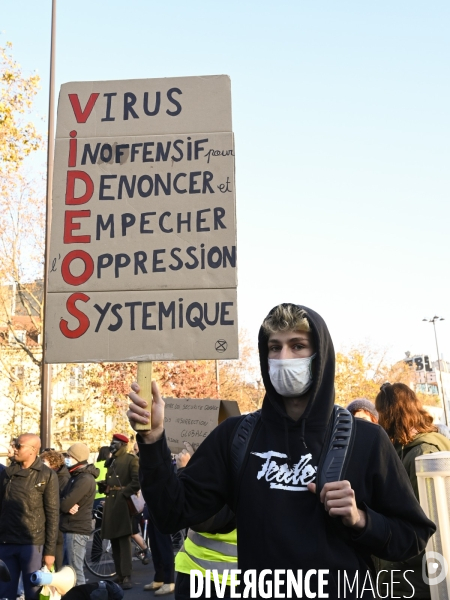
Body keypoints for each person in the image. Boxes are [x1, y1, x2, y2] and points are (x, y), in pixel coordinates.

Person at [128, 303, 436, 599]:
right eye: (275, 347)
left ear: (321, 354)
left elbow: (413, 536)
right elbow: (171, 513)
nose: (284, 357)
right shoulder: (236, 437)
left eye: (298, 346)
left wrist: (361, 519)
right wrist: (153, 440)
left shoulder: (367, 440)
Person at [375, 382, 450, 599]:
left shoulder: (422, 452)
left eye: (381, 413)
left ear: (390, 413)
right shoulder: (409, 447)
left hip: (424, 574)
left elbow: (424, 525)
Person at [173, 443, 237, 600]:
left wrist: (188, 471)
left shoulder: (238, 475)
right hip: (197, 574)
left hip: (217, 581)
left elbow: (201, 519)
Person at [0, 433, 59, 600]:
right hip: (6, 543)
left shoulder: (47, 475)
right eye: (14, 445)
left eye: (19, 446)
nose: (14, 449)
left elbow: (53, 514)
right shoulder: (6, 474)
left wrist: (49, 552)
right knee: (4, 593)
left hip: (33, 545)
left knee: (34, 593)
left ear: (33, 450)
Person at [101, 433, 140, 590]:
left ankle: (126, 575)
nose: (112, 445)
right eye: (111, 442)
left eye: (115, 443)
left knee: (123, 540)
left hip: (122, 503)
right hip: (111, 502)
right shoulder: (113, 460)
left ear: (123, 445)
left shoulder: (131, 460)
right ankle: (119, 573)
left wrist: (123, 493)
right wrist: (105, 486)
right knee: (114, 539)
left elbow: (137, 481)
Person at [60, 442, 99, 586]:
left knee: (75, 571)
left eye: (69, 456)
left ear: (78, 458)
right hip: (70, 527)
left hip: (76, 528)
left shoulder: (84, 479)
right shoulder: (76, 476)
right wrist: (65, 503)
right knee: (68, 571)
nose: (67, 459)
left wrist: (65, 504)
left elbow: (65, 503)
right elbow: (64, 501)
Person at [40, 449, 70, 570]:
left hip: (58, 521)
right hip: (53, 520)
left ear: (53, 463)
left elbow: (60, 499)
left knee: (57, 552)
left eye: (44, 461)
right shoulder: (51, 475)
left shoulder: (62, 478)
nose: (41, 463)